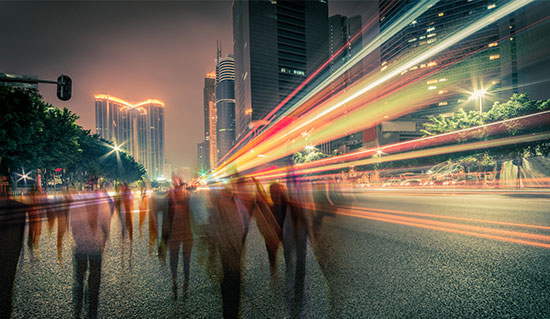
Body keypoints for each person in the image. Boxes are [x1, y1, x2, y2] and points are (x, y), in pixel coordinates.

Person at [71, 189, 111, 319]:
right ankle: (90, 304)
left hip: (82, 245)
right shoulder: (102, 202)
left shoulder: (77, 201)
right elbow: (106, 223)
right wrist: (104, 240)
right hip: (94, 245)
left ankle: (79, 303)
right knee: (94, 275)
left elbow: (72, 223)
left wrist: (77, 238)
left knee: (80, 276)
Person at [0, 185, 27, 318]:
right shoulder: (19, 207)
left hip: (10, 252)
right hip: (11, 253)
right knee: (6, 290)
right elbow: (20, 235)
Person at [168, 176, 193, 299]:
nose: (179, 190)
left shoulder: (188, 198)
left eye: (180, 187)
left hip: (187, 232)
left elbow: (195, 215)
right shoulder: (170, 199)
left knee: (186, 258)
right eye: (177, 187)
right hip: (174, 233)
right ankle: (174, 279)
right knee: (174, 256)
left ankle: (186, 279)